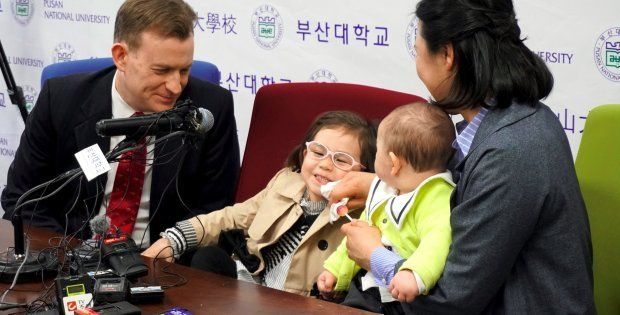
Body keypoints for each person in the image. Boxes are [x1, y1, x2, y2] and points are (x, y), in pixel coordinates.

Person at [328, 0, 595, 313]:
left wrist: (376, 257)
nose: (416, 63)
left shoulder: (512, 151)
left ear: (447, 55)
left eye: (418, 50)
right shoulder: (511, 123)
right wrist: (379, 185)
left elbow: (453, 300)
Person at [1, 0, 240, 248]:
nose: (175, 86)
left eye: (184, 70)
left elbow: (215, 213)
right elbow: (22, 200)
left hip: (166, 263)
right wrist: (69, 258)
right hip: (72, 254)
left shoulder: (210, 108)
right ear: (121, 56)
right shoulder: (61, 100)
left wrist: (169, 253)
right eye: (161, 70)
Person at [142, 111, 377, 296]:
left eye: (342, 160)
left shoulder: (363, 215)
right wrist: (173, 239)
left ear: (365, 174)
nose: (325, 165)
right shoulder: (284, 181)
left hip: (301, 305)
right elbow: (232, 217)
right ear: (304, 154)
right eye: (318, 152)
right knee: (209, 257)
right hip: (249, 288)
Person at [317, 103, 456, 314]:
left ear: (393, 163)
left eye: (378, 152)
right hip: (366, 288)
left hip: (402, 300)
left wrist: (414, 274)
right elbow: (359, 234)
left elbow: (437, 243)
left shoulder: (437, 197)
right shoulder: (386, 189)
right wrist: (335, 271)